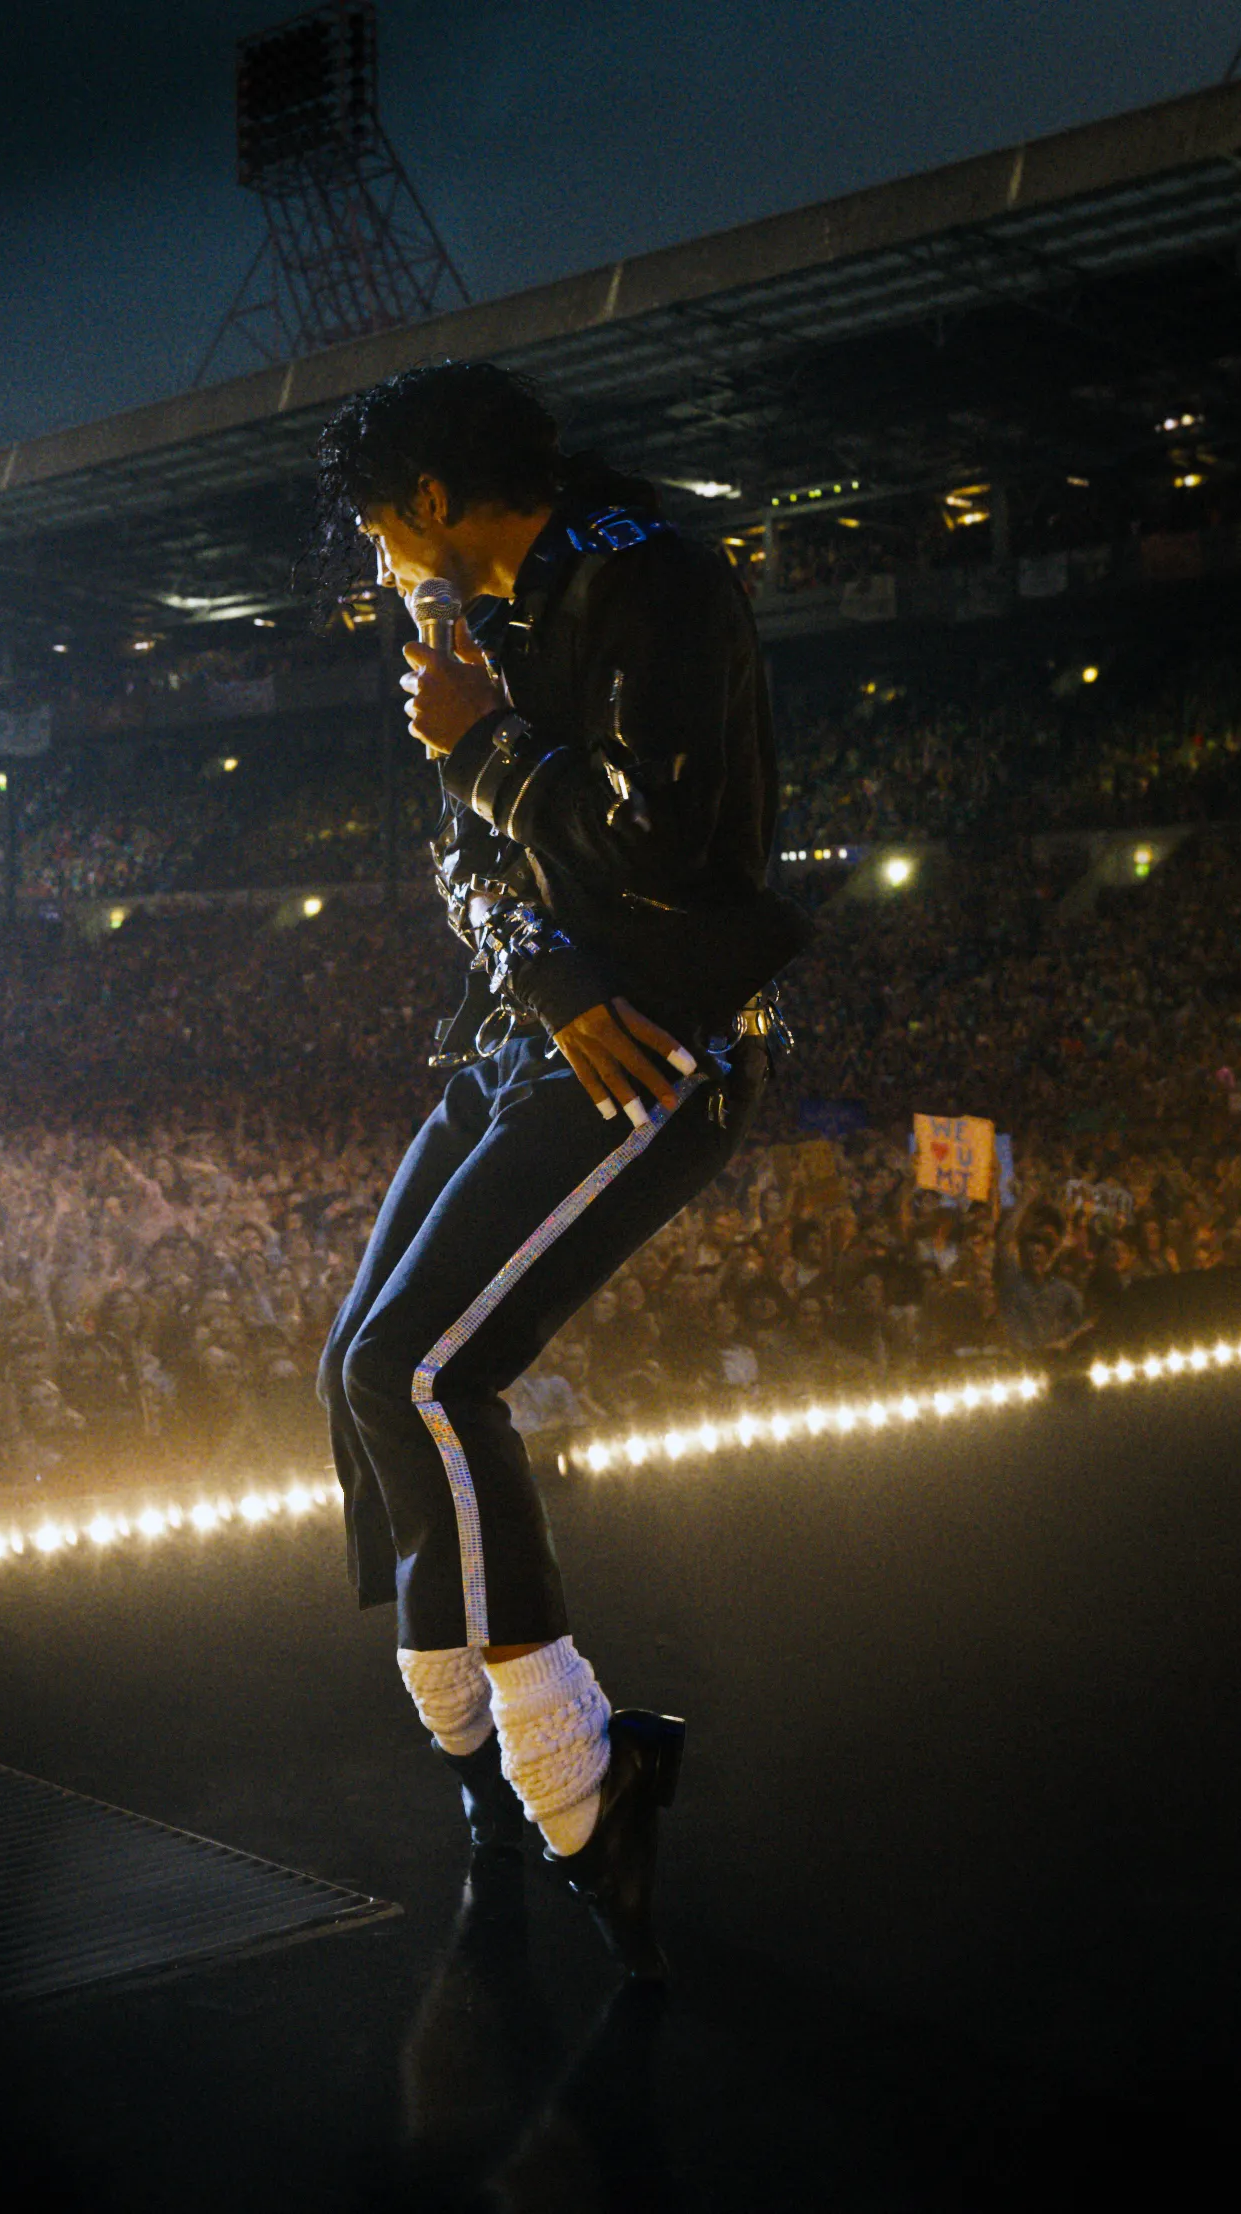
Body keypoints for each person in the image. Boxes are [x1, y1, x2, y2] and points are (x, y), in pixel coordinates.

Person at [309, 359, 810, 1981]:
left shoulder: (649, 577)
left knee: (428, 1373)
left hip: (662, 1044)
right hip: (542, 1026)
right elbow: (463, 853)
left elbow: (664, 846)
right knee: (355, 1373)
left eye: (384, 523)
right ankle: (477, 1753)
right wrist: (541, 968)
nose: (380, 558)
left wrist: (493, 744)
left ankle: (584, 1782)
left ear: (438, 503)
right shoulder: (475, 619)